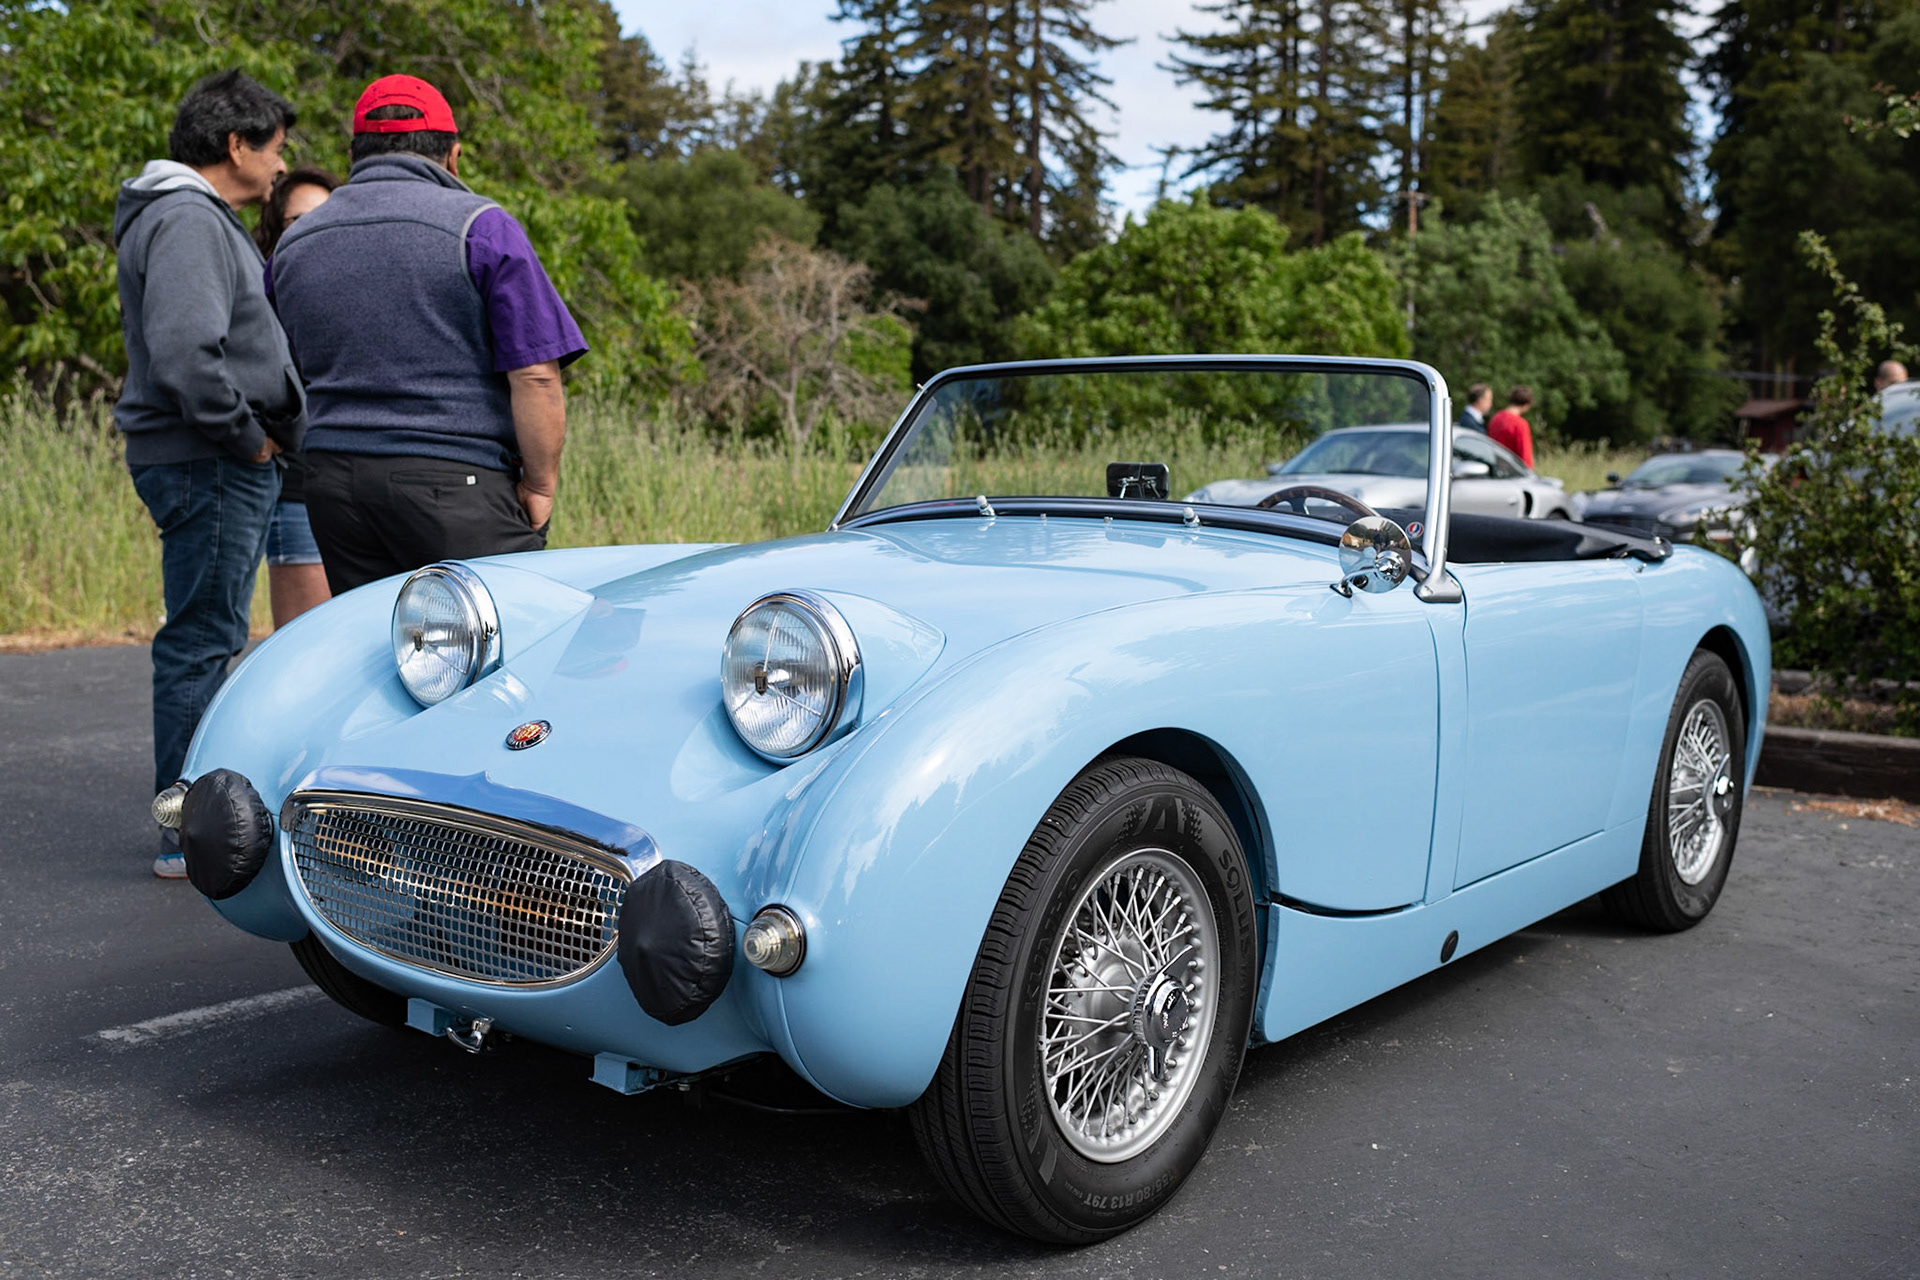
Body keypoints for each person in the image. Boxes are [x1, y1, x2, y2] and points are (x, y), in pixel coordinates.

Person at [268, 74, 586, 594]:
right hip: (454, 482)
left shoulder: (295, 241)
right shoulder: (482, 225)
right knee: (512, 642)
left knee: (377, 650)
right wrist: (539, 485)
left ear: (355, 153)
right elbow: (537, 377)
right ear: (453, 156)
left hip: (331, 485)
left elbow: (281, 352)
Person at [113, 69, 305, 879]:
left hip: (205, 458)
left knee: (206, 636)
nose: (282, 164)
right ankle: (186, 832)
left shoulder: (184, 215)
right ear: (236, 145)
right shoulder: (189, 218)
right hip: (209, 459)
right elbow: (187, 354)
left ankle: (190, 821)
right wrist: (248, 441)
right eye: (276, 147)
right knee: (203, 642)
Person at [254, 167, 340, 627]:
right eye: (295, 220)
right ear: (275, 227)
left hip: (357, 495)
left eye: (323, 216)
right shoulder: (262, 296)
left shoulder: (361, 293)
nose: (310, 228)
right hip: (297, 489)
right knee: (305, 649)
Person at [1487, 385, 1536, 469]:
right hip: (1513, 471)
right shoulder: (1520, 424)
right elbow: (1525, 455)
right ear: (1526, 405)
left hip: (1495, 467)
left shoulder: (1496, 418)